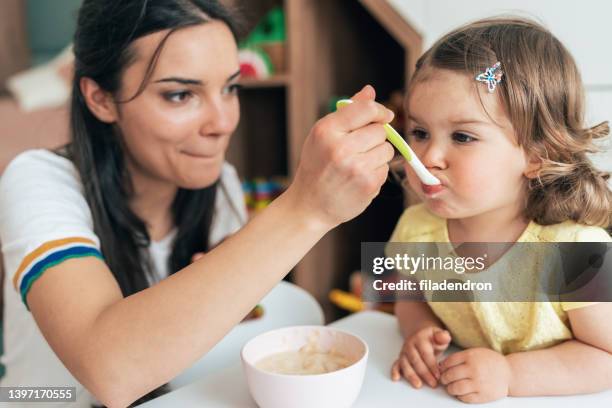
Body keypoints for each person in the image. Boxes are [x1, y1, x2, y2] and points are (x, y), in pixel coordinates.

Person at [0, 0, 395, 406]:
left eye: (230, 88)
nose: (222, 122)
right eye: (180, 95)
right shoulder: (37, 180)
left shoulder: (219, 185)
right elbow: (110, 371)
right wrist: (306, 208)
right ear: (100, 99)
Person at [388, 17, 612, 403]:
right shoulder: (418, 227)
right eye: (420, 132)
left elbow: (606, 356)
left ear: (539, 154)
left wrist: (509, 375)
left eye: (463, 136)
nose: (429, 156)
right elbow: (407, 295)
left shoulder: (578, 250)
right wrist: (418, 331)